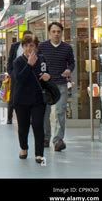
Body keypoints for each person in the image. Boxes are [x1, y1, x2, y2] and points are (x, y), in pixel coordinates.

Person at [12, 35, 50, 164]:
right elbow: (20, 79)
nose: (29, 48)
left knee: (38, 125)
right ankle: (24, 148)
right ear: (22, 47)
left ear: (36, 47)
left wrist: (48, 76)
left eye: (32, 45)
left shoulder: (42, 60)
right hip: (21, 100)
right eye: (26, 45)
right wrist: (29, 65)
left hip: (38, 99)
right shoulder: (18, 62)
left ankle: (39, 154)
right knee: (23, 127)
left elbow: (46, 77)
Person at [39, 22, 75, 152]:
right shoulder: (42, 46)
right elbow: (38, 62)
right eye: (53, 31)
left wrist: (69, 70)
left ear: (62, 33)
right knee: (45, 113)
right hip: (46, 86)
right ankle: (45, 137)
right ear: (49, 33)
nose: (56, 34)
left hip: (61, 84)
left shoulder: (67, 48)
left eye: (58, 31)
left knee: (60, 112)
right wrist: (41, 74)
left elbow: (71, 63)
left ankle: (58, 140)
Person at [6, 30, 34, 124]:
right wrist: (11, 73)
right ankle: (9, 117)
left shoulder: (34, 47)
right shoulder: (15, 46)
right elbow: (10, 61)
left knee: (29, 95)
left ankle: (29, 117)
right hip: (17, 74)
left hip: (30, 75)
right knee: (13, 95)